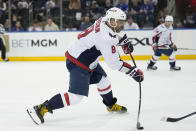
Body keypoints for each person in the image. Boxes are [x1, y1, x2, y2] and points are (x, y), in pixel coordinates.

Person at [26, 7, 144, 125]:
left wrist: (121, 40)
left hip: (84, 57)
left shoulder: (104, 20)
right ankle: (41, 108)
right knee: (75, 97)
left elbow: (110, 35)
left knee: (104, 80)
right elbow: (114, 63)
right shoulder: (105, 38)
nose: (122, 26)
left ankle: (110, 105)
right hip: (79, 62)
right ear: (112, 21)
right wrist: (132, 71)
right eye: (120, 23)